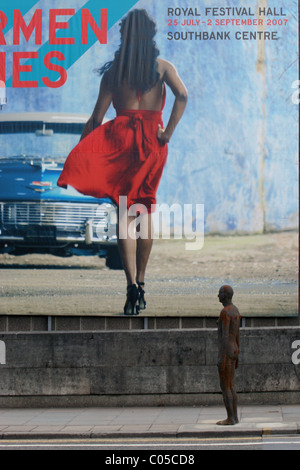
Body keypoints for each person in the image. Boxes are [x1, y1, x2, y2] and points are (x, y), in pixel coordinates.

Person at [57, 9, 188, 315]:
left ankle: (130, 286)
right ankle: (141, 285)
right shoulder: (163, 68)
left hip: (121, 143)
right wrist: (167, 133)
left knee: (125, 214)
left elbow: (96, 119)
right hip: (153, 144)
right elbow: (182, 96)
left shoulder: (114, 73)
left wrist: (79, 154)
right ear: (150, 36)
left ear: (124, 37)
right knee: (144, 211)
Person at [216, 285, 241, 425]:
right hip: (234, 349)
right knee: (231, 385)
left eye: (220, 293)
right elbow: (237, 334)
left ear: (225, 295)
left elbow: (225, 336)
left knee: (225, 386)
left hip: (226, 351)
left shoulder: (225, 312)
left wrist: (221, 356)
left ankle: (230, 418)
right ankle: (235, 417)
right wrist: (238, 352)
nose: (218, 296)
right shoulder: (235, 310)